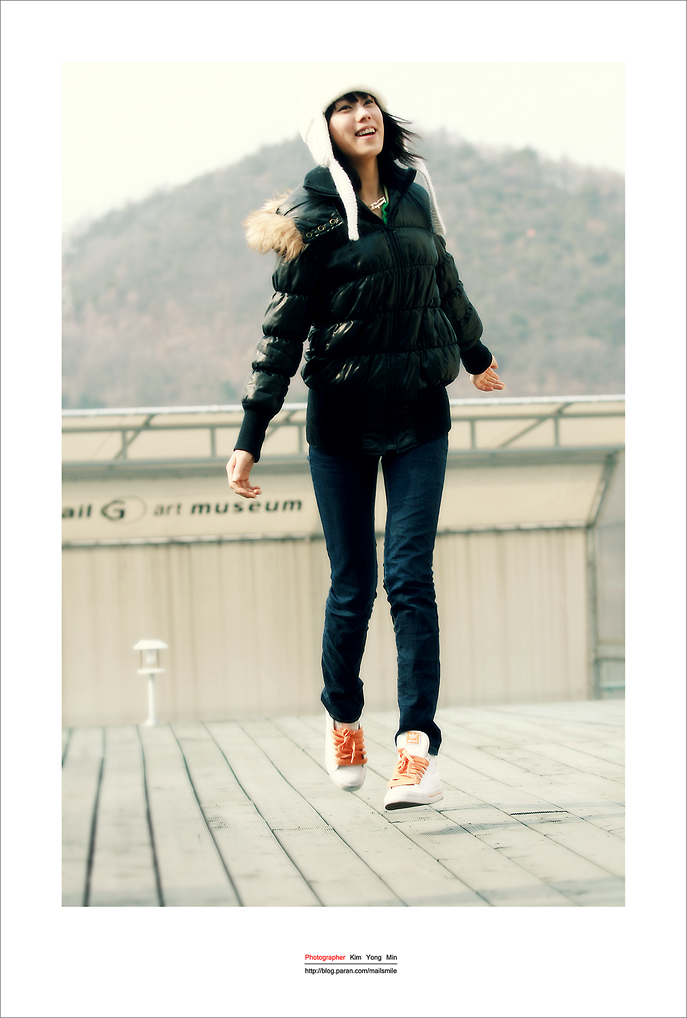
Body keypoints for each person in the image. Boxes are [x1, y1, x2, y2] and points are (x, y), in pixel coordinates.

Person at [227, 79, 504, 810]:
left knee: (408, 578)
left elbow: (443, 279)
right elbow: (282, 333)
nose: (363, 114)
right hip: (342, 424)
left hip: (419, 413)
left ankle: (416, 748)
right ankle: (343, 718)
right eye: (345, 108)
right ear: (325, 130)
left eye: (369, 103)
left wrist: (475, 354)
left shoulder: (416, 196)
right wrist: (251, 435)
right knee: (352, 583)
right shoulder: (310, 220)